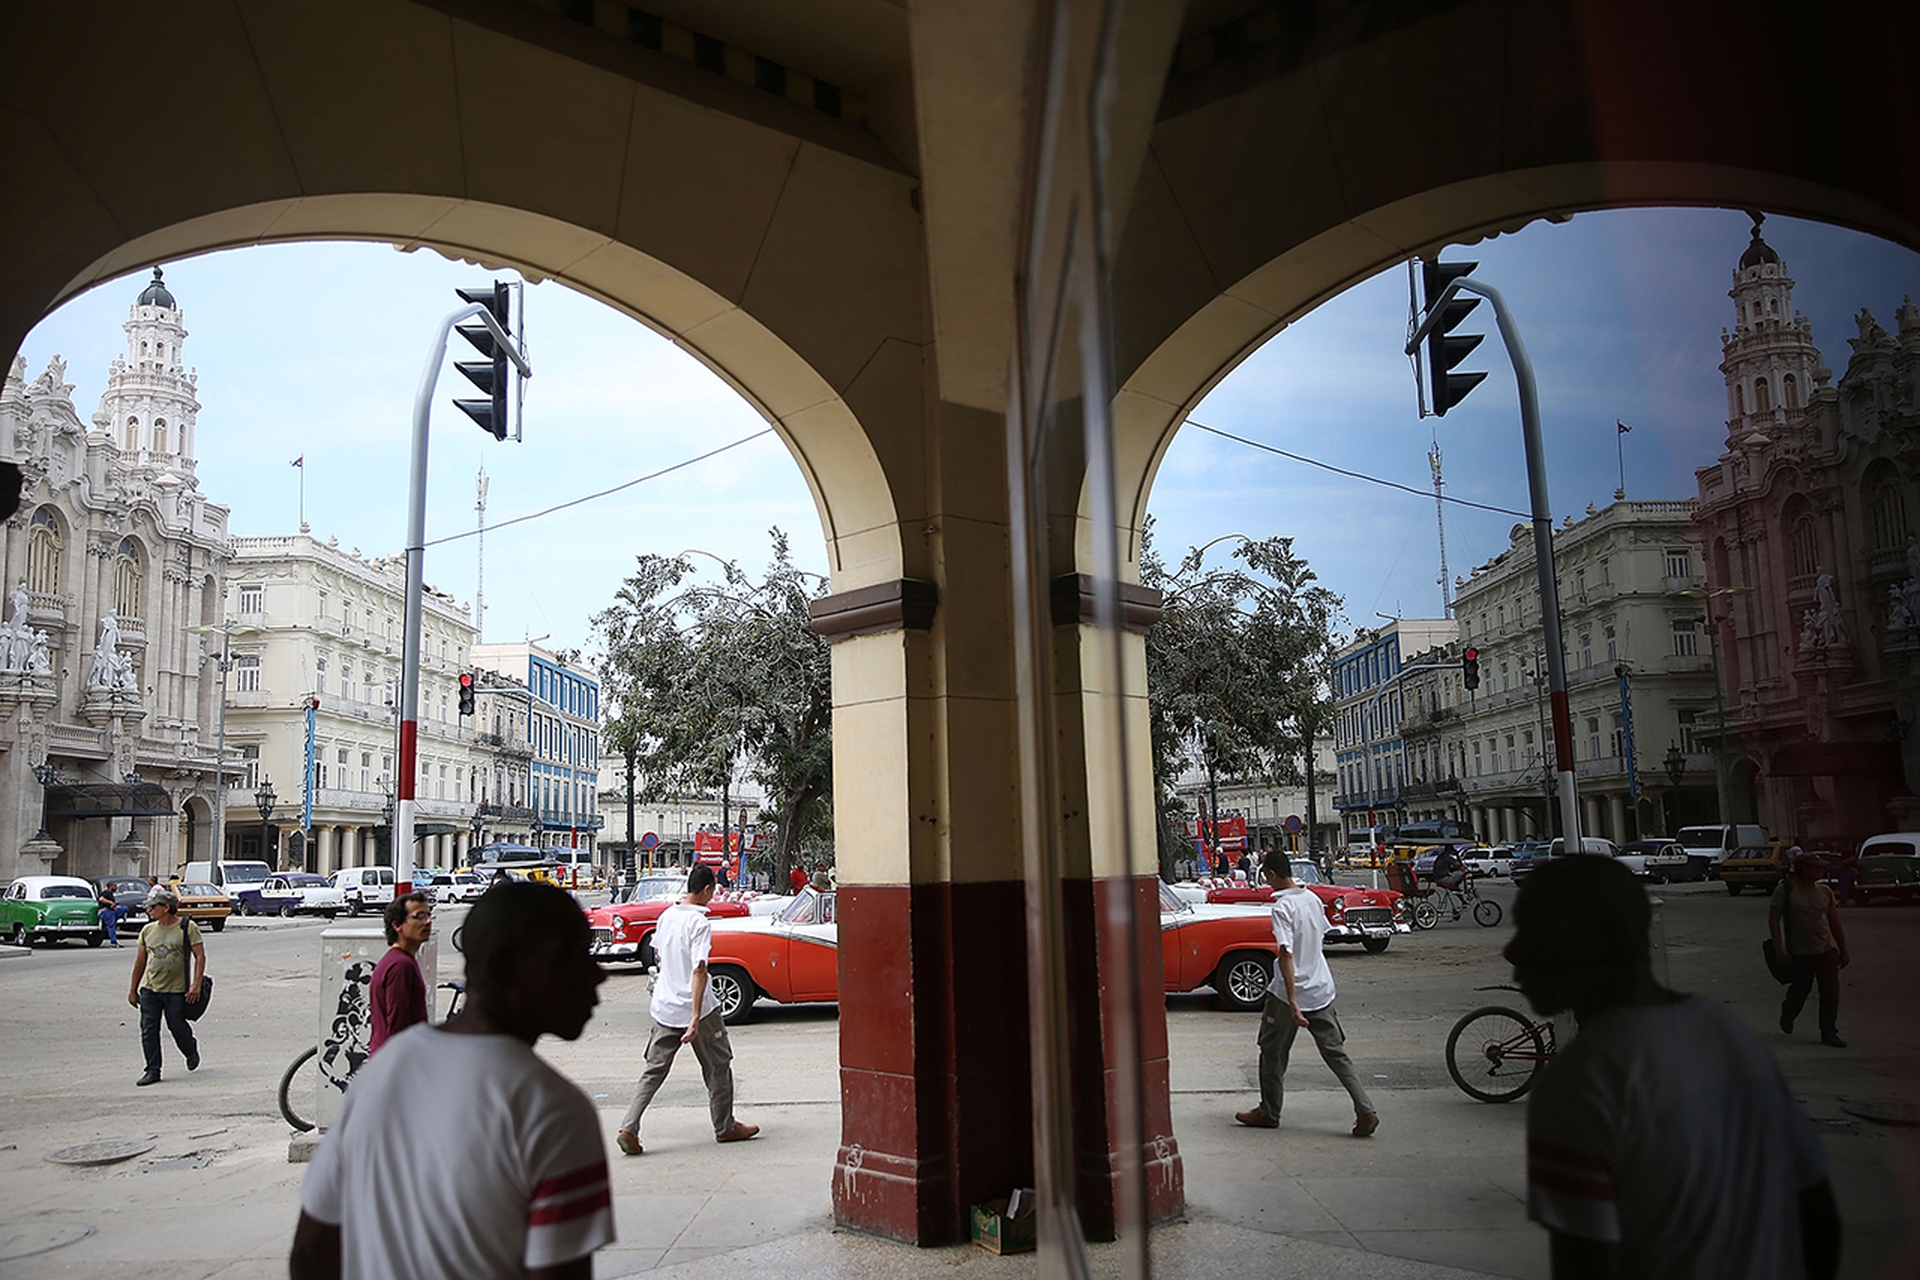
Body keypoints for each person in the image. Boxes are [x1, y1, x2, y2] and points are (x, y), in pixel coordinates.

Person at [1506, 857, 1839, 1280]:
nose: (1512, 951)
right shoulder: (1725, 1031)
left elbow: (1586, 1262)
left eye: (1533, 931)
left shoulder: (1580, 1081)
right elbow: (1818, 1215)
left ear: (1588, 941)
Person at [290, 882, 614, 1280]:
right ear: (501, 971)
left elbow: (311, 1251)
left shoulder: (386, 1069)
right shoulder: (554, 1110)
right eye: (570, 958)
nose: (598, 974)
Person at [615, 863, 759, 1156]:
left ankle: (629, 1127)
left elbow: (659, 954)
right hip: (699, 1009)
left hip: (664, 1006)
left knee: (653, 1070)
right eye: (713, 892)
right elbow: (700, 969)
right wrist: (694, 1016)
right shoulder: (699, 923)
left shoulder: (667, 915)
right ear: (707, 890)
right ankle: (725, 1127)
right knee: (719, 1066)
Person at [1234, 860, 1379, 1137]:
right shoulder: (1312, 898)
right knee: (1337, 1054)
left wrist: (1292, 1000)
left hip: (1288, 994)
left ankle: (1269, 1111)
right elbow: (1320, 935)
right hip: (1321, 987)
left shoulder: (1282, 907)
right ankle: (1365, 1109)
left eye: (1266, 876)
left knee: (1272, 1053)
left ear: (1273, 874)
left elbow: (1286, 953)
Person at [1770, 850, 1849, 1048]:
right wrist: (1780, 948)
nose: (1822, 871)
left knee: (1830, 991)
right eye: (1818, 867)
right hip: (1800, 951)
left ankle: (1829, 1031)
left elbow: (1834, 922)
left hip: (1826, 949)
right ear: (1805, 869)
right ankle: (1789, 1012)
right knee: (1801, 988)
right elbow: (1773, 919)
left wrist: (1843, 949)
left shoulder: (1824, 891)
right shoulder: (1786, 890)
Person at [127, 888, 205, 1086]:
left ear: (166, 908)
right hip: (150, 989)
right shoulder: (148, 930)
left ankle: (190, 1050)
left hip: (176, 990)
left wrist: (196, 984)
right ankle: (152, 1070)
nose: (149, 911)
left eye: (153, 907)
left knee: (176, 1026)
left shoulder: (187, 927)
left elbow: (200, 956)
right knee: (148, 1029)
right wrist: (133, 989)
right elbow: (140, 962)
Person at [368, 893, 431, 1056]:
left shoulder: (399, 960)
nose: (428, 922)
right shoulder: (400, 965)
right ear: (397, 925)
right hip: (396, 1064)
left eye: (429, 915)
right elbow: (398, 1023)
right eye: (419, 916)